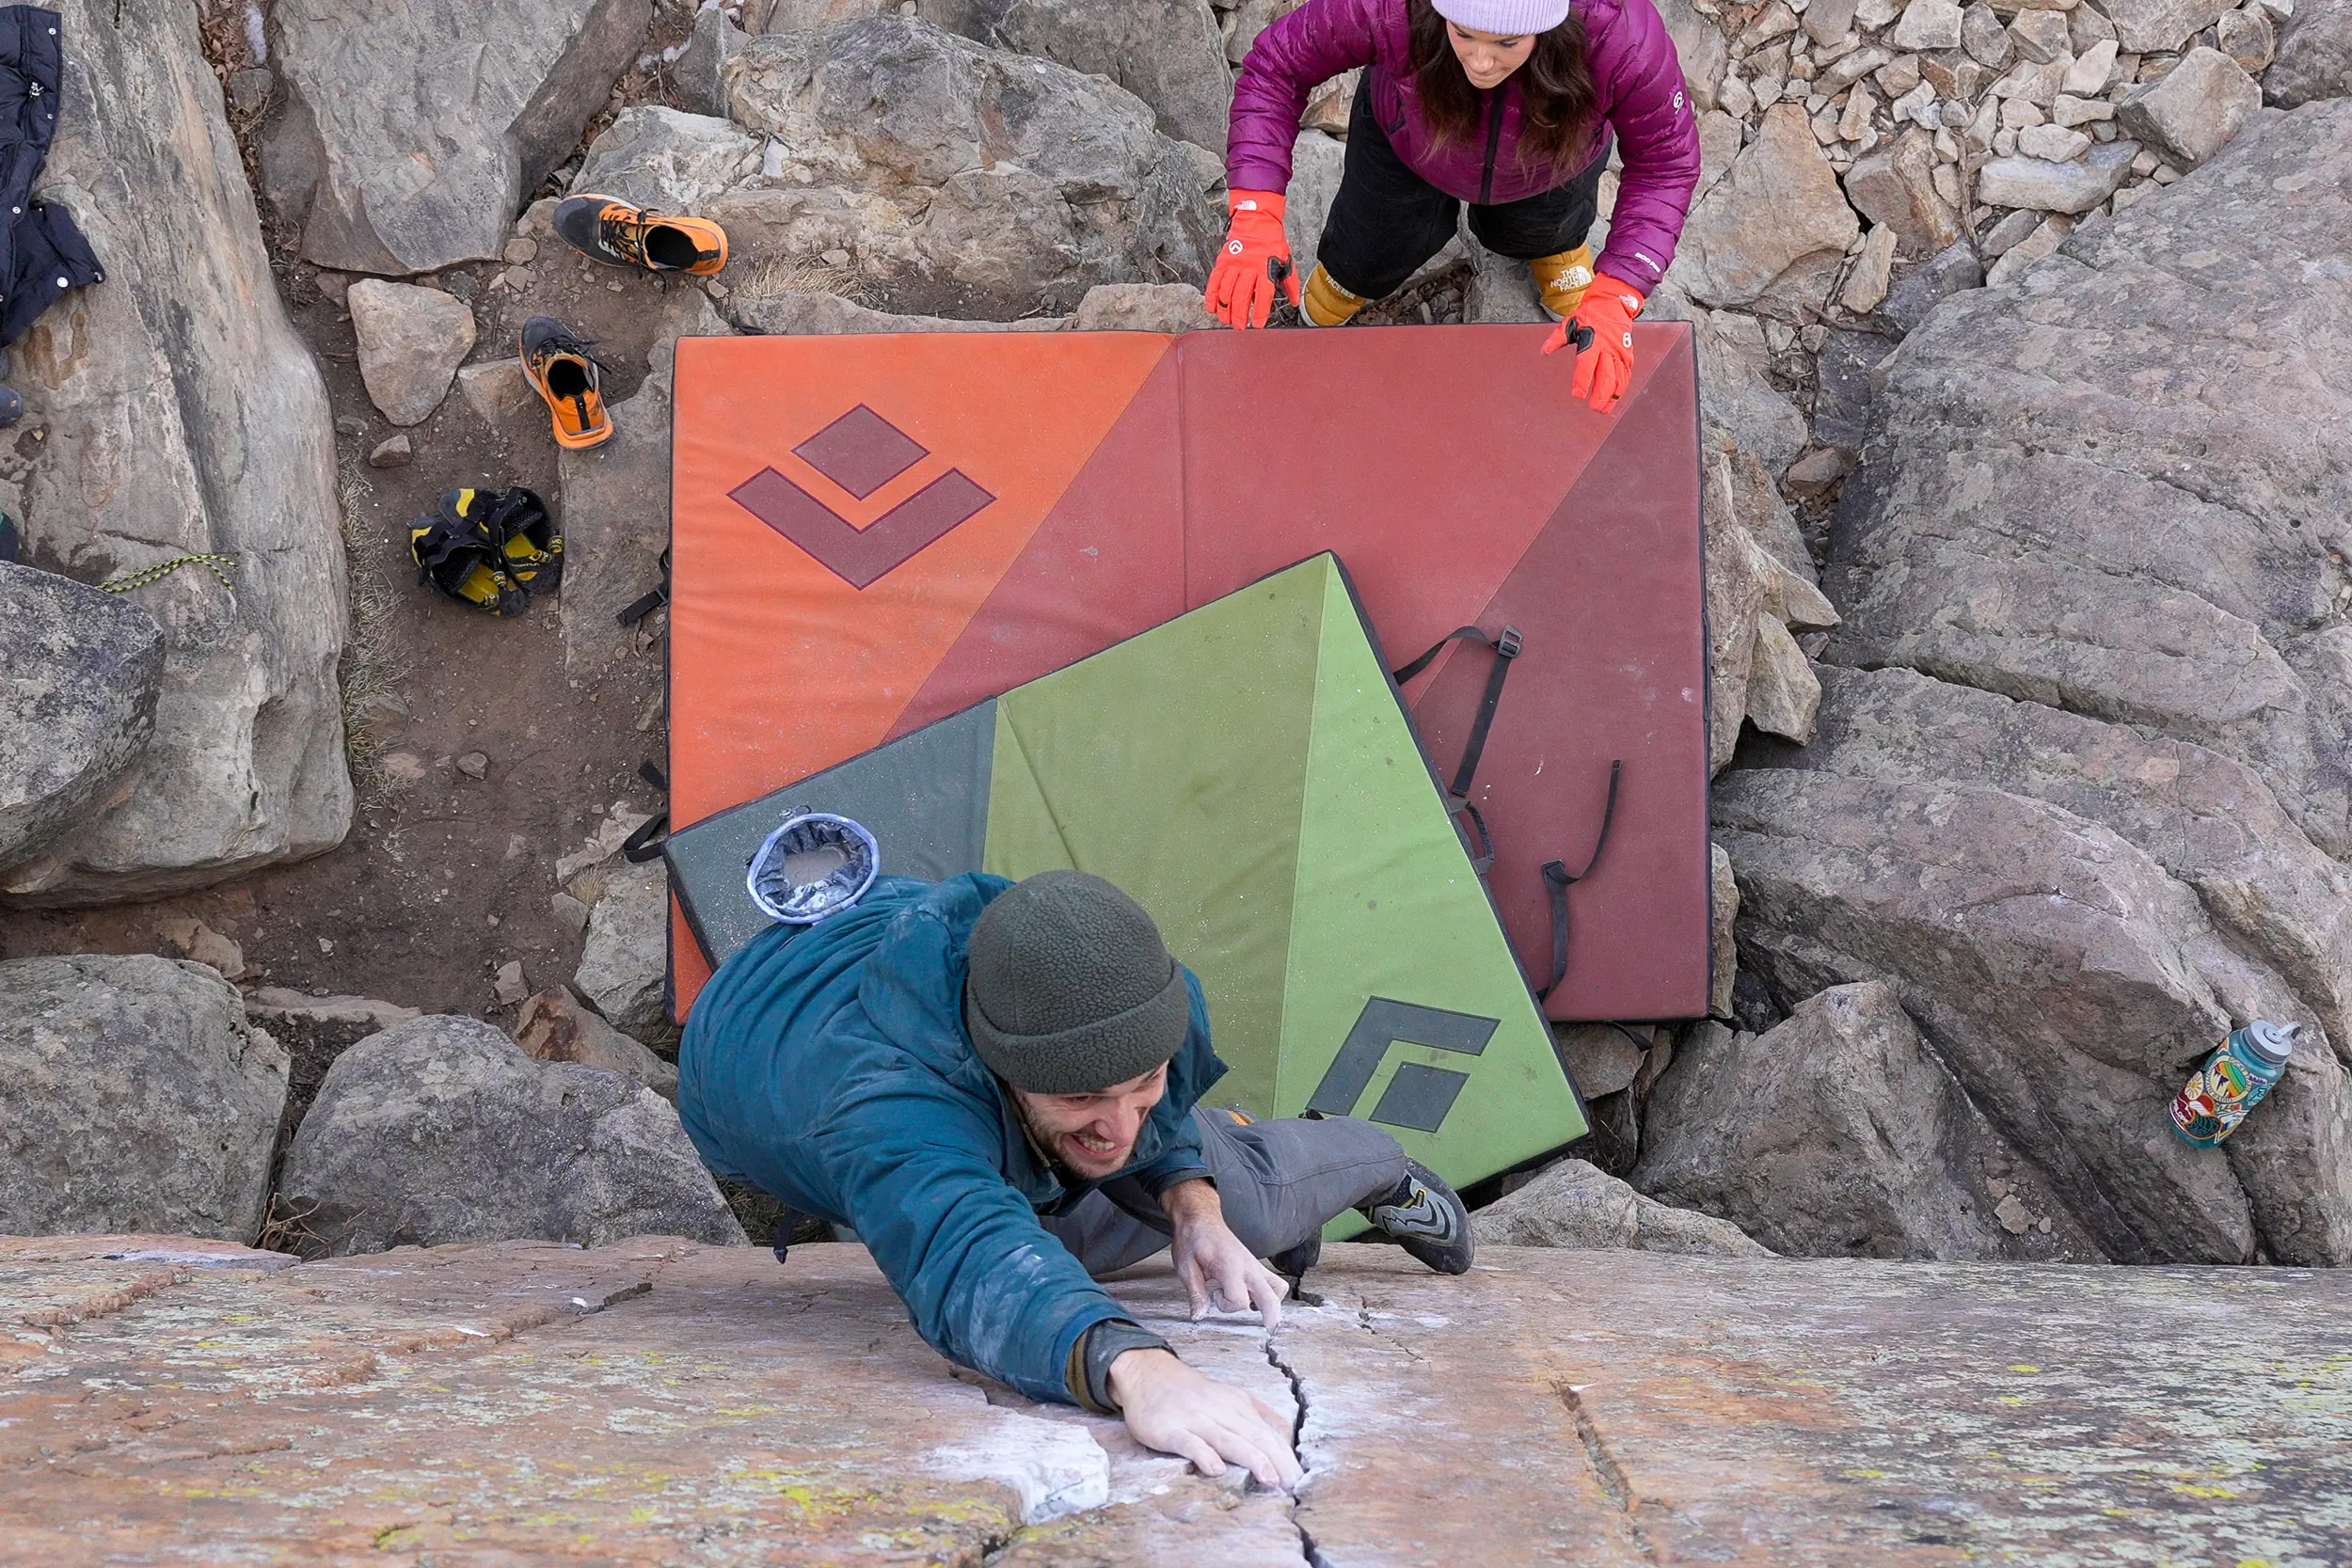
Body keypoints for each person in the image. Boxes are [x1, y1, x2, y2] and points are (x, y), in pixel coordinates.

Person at [678, 867, 1475, 1489]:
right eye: (1081, 1096)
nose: (1123, 1126)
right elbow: (970, 1259)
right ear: (1002, 1065)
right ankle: (1196, 1151)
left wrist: (1193, 1200)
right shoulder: (885, 1102)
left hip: (901, 956)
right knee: (1054, 1251)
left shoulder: (1136, 988)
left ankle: (1369, 1163)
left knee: (1247, 1212)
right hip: (782, 1058)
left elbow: (1125, 1108)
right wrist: (1142, 1372)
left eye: (1144, 1083)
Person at [1208, 0, 1701, 412]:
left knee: (1544, 227)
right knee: (1367, 251)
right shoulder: (1392, 6)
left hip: (1550, 157)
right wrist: (1255, 211)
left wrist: (1619, 291)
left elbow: (1667, 160)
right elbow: (1278, 63)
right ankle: (1352, 276)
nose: (1481, 62)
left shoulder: (1622, 35)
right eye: (1463, 33)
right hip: (1407, 143)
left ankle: (1554, 247)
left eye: (1507, 42)